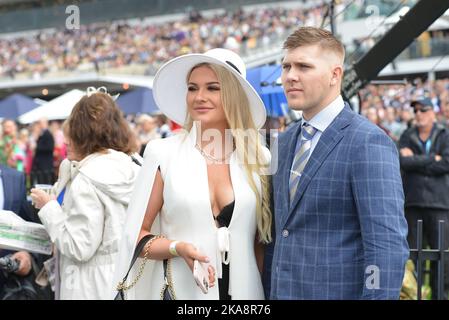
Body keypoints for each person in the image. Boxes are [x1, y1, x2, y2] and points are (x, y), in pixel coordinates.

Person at [111, 48, 271, 300]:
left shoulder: (260, 157)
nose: (199, 97)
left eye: (212, 88)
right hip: (184, 293)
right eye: (192, 88)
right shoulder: (163, 153)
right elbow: (136, 236)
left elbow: (261, 243)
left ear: (233, 95)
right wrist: (177, 248)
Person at [263, 27, 409, 300]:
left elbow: (386, 247)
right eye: (286, 67)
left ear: (335, 74)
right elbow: (279, 235)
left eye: (304, 66)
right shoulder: (283, 142)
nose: (290, 76)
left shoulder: (367, 142)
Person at [30, 89, 141, 299]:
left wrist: (49, 208)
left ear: (84, 134)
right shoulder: (132, 165)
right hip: (123, 279)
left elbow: (78, 247)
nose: (65, 141)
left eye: (71, 134)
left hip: (89, 285)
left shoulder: (87, 178)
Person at [399, 97, 449, 299]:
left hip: (439, 203)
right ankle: (412, 294)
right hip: (414, 202)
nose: (418, 114)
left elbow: (446, 163)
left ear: (432, 113)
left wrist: (416, 161)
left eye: (422, 110)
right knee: (411, 254)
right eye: (416, 111)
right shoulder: (406, 134)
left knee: (442, 255)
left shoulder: (444, 134)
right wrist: (431, 159)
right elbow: (403, 162)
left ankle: (441, 295)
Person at [31, 118, 55, 184]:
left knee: (45, 182)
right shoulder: (42, 133)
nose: (39, 125)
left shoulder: (48, 134)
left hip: (45, 164)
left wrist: (37, 147)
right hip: (41, 165)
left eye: (40, 123)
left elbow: (50, 148)